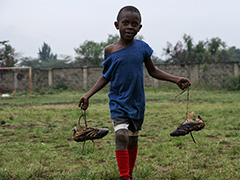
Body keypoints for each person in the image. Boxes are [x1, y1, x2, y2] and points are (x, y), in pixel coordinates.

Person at [79, 5, 191, 180]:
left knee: (132, 139)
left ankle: (129, 173)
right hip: (118, 102)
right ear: (117, 25)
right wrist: (88, 94)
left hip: (137, 103)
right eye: (126, 23)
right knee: (121, 135)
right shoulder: (110, 51)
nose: (130, 27)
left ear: (139, 27)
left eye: (134, 24)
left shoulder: (142, 48)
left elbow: (153, 71)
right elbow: (105, 76)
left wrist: (176, 79)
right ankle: (125, 176)